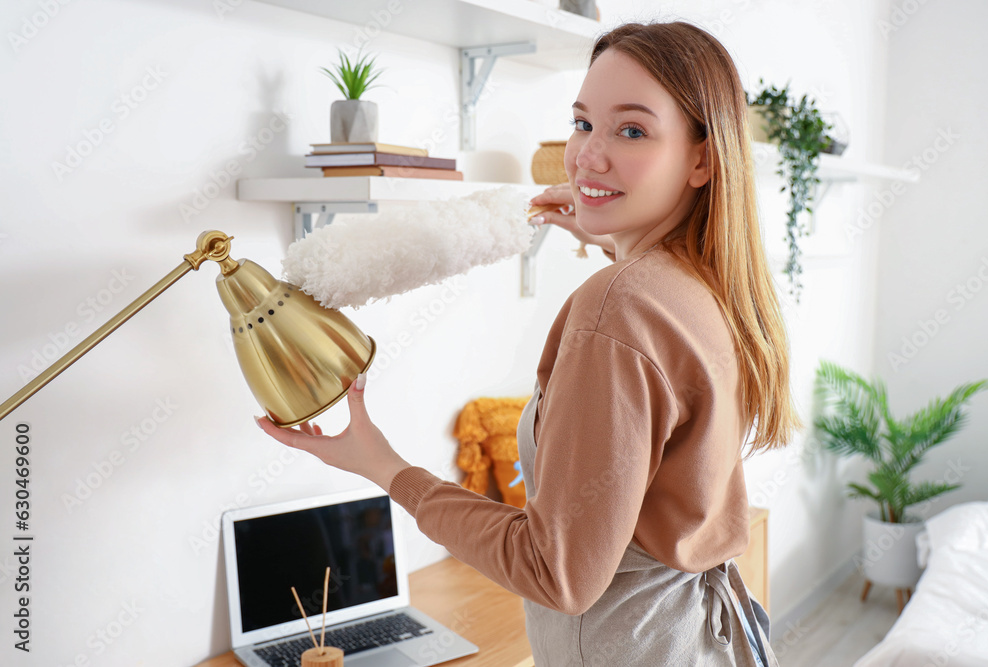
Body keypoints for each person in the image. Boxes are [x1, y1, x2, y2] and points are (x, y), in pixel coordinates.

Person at [257, 20, 801, 666]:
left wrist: (386, 468)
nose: (588, 157)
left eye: (632, 130)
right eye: (581, 123)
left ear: (703, 159)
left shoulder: (619, 306)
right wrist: (611, 230)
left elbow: (558, 574)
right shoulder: (708, 286)